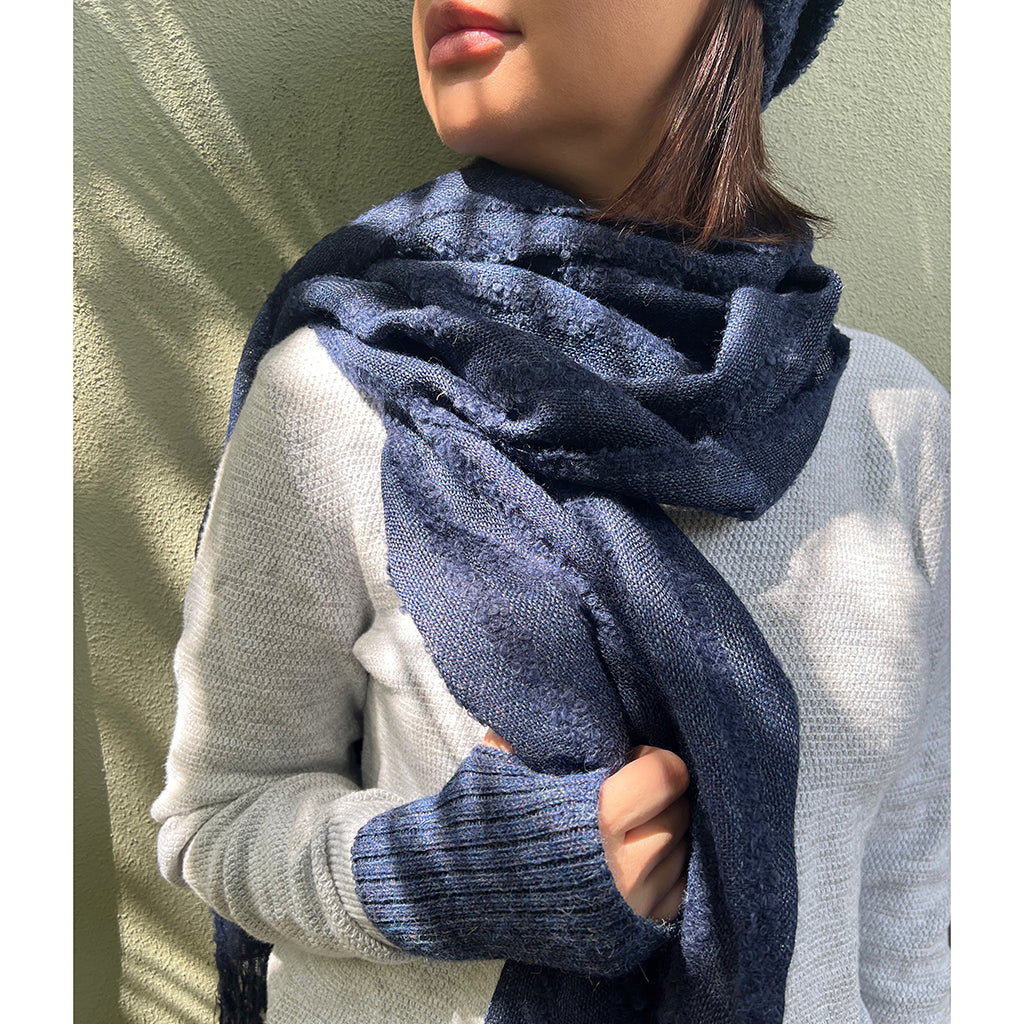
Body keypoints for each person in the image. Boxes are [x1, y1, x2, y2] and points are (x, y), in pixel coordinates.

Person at [153, 1, 950, 1022]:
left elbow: (907, 910)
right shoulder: (341, 391)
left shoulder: (898, 425)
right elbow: (217, 815)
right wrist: (461, 871)